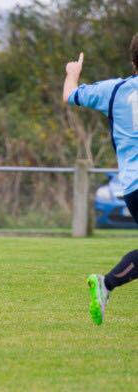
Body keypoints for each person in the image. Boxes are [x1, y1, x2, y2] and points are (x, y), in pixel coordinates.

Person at [63, 33, 138, 325]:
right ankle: (105, 284)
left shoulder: (114, 90)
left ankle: (105, 285)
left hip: (132, 186)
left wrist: (73, 73)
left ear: (133, 59)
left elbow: (71, 95)